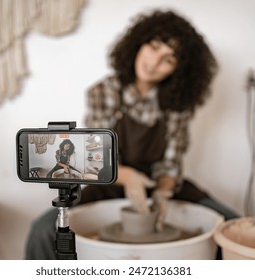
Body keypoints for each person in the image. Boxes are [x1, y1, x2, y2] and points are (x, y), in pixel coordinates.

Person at [25, 9, 238, 260]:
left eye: (168, 60)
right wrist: (127, 177)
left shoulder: (177, 104)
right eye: (154, 47)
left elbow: (170, 163)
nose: (153, 62)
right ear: (138, 43)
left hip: (156, 184)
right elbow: (92, 159)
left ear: (179, 70)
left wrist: (163, 191)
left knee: (233, 227)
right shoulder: (104, 91)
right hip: (107, 182)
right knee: (42, 230)